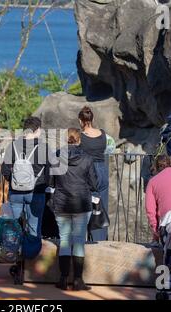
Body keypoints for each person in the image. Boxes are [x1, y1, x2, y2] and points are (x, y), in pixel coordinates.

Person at [51, 128, 98, 291]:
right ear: (79, 140)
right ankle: (78, 280)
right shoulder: (87, 158)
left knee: (64, 239)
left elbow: (51, 182)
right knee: (78, 240)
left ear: (67, 139)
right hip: (81, 203)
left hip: (61, 201)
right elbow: (94, 184)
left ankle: (63, 278)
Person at [1, 116, 51, 239]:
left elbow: (5, 169)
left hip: (15, 192)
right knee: (34, 226)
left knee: (14, 227)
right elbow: (50, 171)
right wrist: (43, 185)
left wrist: (14, 182)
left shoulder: (13, 146)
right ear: (38, 130)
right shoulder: (44, 147)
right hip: (36, 192)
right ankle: (32, 256)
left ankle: (14, 254)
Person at [78, 106, 109, 241]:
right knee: (101, 206)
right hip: (102, 170)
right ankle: (100, 240)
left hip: (87, 172)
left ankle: (82, 241)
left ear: (80, 120)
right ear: (92, 118)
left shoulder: (81, 137)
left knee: (85, 206)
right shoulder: (102, 134)